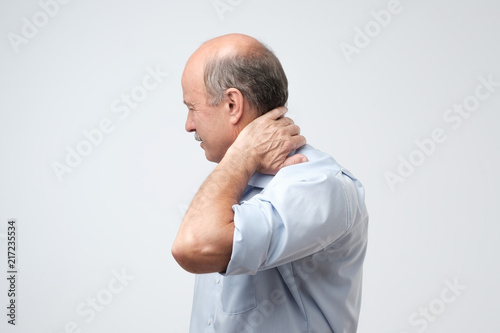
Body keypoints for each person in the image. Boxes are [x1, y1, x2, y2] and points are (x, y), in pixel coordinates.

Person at [172, 33, 369, 333]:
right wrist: (242, 160)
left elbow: (192, 247)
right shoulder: (234, 181)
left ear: (232, 105)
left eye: (192, 107)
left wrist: (242, 157)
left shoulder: (317, 185)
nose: (189, 125)